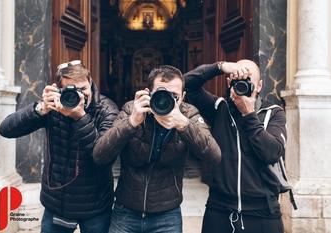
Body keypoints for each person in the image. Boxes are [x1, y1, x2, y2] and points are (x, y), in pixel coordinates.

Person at [93, 65, 221, 233]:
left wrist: (183, 125)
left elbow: (214, 156)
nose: (166, 101)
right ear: (148, 92)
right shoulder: (132, 109)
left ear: (183, 97)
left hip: (167, 214)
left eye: (174, 96)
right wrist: (131, 122)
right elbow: (99, 156)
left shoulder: (188, 114)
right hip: (126, 210)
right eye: (161, 94)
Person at [0, 60, 119, 233]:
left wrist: (80, 117)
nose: (80, 95)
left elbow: (104, 157)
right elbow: (6, 129)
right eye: (72, 90)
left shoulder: (107, 109)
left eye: (83, 89)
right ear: (59, 90)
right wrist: (40, 108)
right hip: (57, 202)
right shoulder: (53, 107)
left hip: (95, 205)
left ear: (91, 83)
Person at [184, 60, 287, 233]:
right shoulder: (219, 108)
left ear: (260, 86)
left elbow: (272, 153)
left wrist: (249, 114)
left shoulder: (274, 113)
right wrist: (220, 67)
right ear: (229, 82)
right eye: (237, 80)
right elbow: (186, 86)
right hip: (219, 210)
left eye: (248, 81)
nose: (242, 85)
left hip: (263, 213)